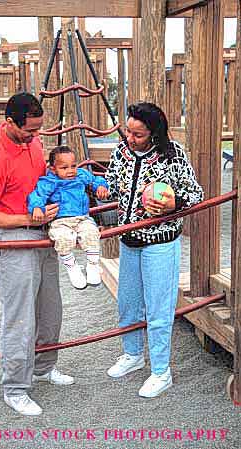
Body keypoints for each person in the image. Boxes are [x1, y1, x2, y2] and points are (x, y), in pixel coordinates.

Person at [0, 92, 74, 417]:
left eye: (39, 129)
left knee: (50, 308)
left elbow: (42, 179)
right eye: (30, 130)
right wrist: (27, 219)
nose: (35, 136)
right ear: (10, 123)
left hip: (42, 231)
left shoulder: (32, 143)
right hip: (14, 236)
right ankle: (14, 388)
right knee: (19, 317)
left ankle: (44, 366)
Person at [105, 102, 203, 398]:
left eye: (138, 134)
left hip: (161, 242)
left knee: (159, 309)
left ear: (154, 132)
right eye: (128, 131)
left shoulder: (173, 155)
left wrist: (175, 204)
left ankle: (162, 372)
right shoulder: (120, 151)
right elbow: (110, 184)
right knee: (128, 302)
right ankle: (133, 355)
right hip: (128, 239)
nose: (130, 138)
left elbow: (195, 193)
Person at [28, 145, 109, 290]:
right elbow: (37, 196)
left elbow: (96, 180)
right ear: (53, 169)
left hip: (82, 217)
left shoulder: (81, 175)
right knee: (63, 238)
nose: (71, 171)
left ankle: (92, 265)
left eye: (73, 166)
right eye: (64, 168)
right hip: (61, 221)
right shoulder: (49, 182)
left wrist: (101, 187)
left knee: (91, 233)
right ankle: (72, 267)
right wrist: (36, 208)